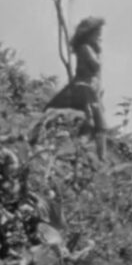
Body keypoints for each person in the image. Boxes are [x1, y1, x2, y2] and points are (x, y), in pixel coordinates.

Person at [44, 16, 107, 161]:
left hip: (90, 89)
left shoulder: (88, 48)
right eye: (97, 32)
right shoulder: (85, 48)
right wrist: (98, 53)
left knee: (97, 126)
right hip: (84, 88)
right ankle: (77, 152)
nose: (99, 35)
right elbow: (95, 65)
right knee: (94, 124)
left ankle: (96, 156)